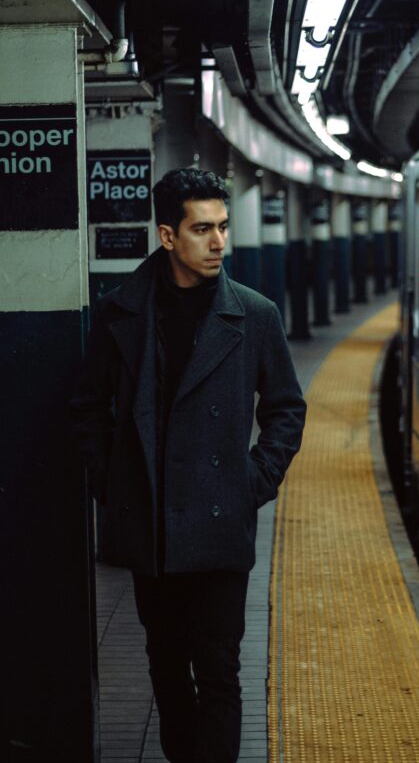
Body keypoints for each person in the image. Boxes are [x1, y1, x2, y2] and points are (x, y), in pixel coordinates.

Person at [71, 167, 306, 763]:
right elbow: (88, 408)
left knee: (221, 671)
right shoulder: (120, 313)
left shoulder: (254, 316)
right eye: (203, 229)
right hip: (151, 526)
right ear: (168, 236)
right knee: (167, 669)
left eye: (223, 227)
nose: (219, 242)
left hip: (222, 524)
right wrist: (111, 482)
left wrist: (253, 480)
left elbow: (285, 409)